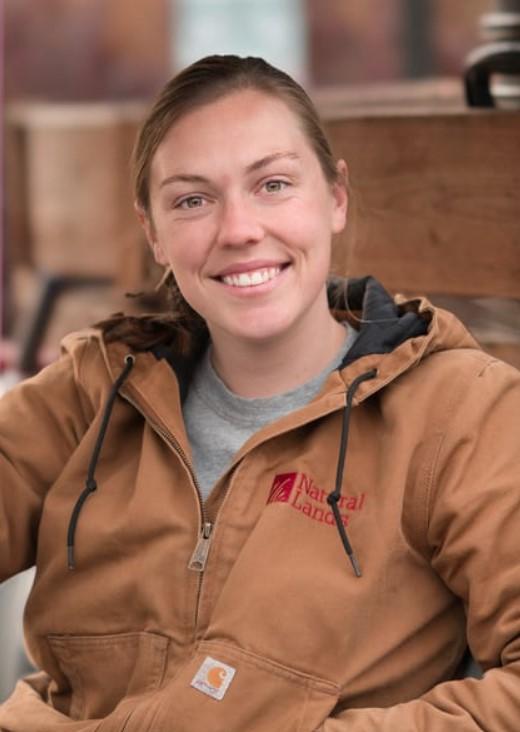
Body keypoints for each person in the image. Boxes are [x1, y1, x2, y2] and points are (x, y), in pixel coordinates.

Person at [0, 54, 519, 732]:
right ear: (152, 231)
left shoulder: (460, 412)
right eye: (192, 200)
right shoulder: (96, 387)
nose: (239, 229)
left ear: (335, 198)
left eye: (273, 184)